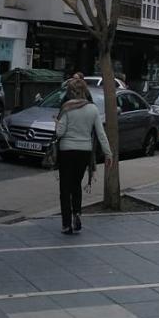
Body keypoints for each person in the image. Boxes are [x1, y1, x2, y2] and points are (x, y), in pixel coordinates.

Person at [54, 75, 112, 235]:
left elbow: (59, 133)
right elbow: (101, 134)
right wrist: (108, 154)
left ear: (71, 92)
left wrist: (57, 123)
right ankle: (77, 213)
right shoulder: (92, 109)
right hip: (84, 152)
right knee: (76, 185)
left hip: (67, 151)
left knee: (65, 188)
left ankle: (66, 224)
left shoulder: (66, 107)